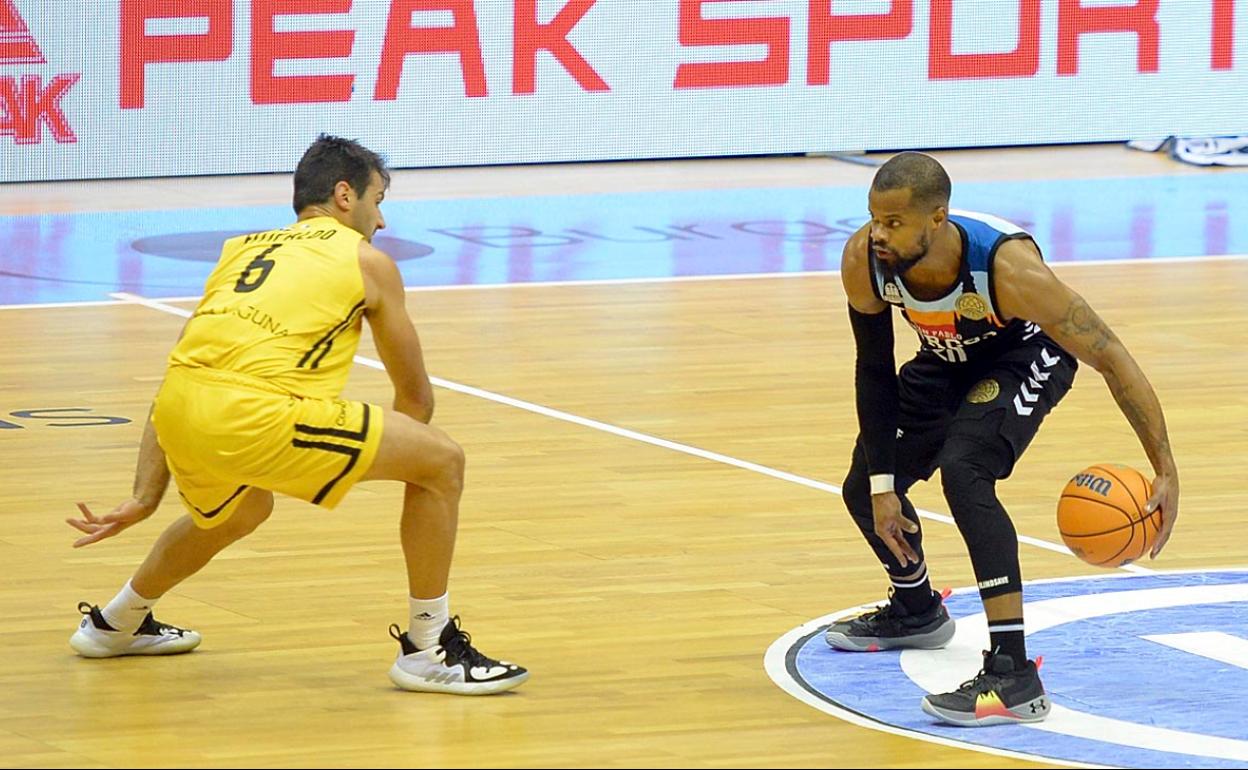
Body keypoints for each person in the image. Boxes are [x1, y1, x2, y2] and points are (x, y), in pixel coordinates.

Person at [65, 134, 528, 696]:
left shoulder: (242, 250)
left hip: (181, 408)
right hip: (252, 412)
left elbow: (182, 369)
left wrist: (144, 494)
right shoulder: (367, 261)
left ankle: (116, 622)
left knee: (240, 510)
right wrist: (402, 466)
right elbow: (417, 398)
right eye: (377, 200)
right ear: (343, 196)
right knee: (442, 463)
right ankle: (429, 650)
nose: (381, 220)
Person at [823, 152, 1178, 726]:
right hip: (945, 359)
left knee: (965, 473)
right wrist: (885, 484)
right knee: (862, 486)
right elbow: (873, 368)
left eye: (894, 222)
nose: (878, 234)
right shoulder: (865, 261)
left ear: (937, 219)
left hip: (1022, 357)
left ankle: (1013, 672)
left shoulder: (1009, 270)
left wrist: (1164, 465)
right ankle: (916, 609)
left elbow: (1110, 355)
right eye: (873, 219)